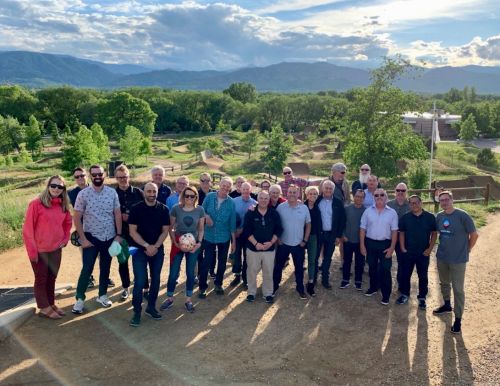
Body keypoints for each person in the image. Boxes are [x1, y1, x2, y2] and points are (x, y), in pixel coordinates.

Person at [71, 165, 122, 314]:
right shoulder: (83, 194)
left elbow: (117, 214)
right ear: (90, 176)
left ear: (104, 174)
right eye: (94, 174)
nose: (97, 176)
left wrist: (118, 235)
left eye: (100, 174)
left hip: (109, 237)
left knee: (105, 268)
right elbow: (77, 217)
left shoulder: (112, 193)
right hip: (91, 238)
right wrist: (83, 238)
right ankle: (80, 299)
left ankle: (102, 295)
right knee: (87, 269)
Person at [22, 175, 72, 319]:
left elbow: (67, 224)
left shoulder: (63, 205)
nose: (56, 189)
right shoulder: (36, 204)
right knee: (41, 278)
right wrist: (32, 252)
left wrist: (64, 239)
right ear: (48, 186)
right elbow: (28, 230)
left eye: (60, 187)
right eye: (53, 185)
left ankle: (50, 303)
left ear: (63, 189)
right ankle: (44, 307)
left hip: (55, 249)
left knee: (52, 277)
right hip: (40, 251)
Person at [433, 191, 478, 334]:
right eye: (442, 200)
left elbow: (474, 234)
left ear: (452, 200)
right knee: (444, 283)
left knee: (458, 289)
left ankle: (458, 319)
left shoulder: (463, 216)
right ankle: (446, 305)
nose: (444, 202)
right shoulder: (439, 216)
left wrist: (468, 249)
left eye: (446, 199)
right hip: (442, 257)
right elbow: (437, 233)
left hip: (458, 259)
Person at [128, 182, 170, 327]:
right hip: (139, 250)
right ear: (144, 192)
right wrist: (146, 246)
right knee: (139, 281)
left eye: (154, 191)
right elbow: (132, 231)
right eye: (149, 191)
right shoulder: (136, 209)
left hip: (157, 250)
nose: (151, 194)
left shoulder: (164, 209)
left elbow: (165, 230)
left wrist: (156, 246)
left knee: (156, 280)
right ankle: (137, 311)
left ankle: (151, 307)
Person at [161, 187, 205, 313]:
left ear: (196, 197)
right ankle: (169, 298)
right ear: (183, 196)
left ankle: (188, 300)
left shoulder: (200, 210)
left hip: (193, 246)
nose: (189, 198)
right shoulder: (176, 208)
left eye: (192, 196)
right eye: (187, 196)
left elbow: (201, 229)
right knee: (173, 272)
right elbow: (171, 227)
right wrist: (175, 242)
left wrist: (199, 243)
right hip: (178, 244)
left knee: (190, 273)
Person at [198, 176, 237, 298]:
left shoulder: (231, 203)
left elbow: (232, 223)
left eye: (227, 186)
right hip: (208, 236)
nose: (225, 188)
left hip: (224, 237)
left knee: (222, 263)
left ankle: (218, 284)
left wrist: (233, 241)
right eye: (223, 185)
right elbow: (201, 210)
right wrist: (206, 216)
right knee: (207, 261)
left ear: (230, 188)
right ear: (219, 185)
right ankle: (202, 287)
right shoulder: (209, 197)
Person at [397, 195, 437, 309]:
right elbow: (401, 233)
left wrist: (430, 249)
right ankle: (405, 294)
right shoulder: (405, 217)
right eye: (411, 203)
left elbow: (434, 233)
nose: (414, 205)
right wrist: (403, 248)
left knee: (423, 276)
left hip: (423, 253)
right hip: (408, 252)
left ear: (421, 203)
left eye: (416, 202)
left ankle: (422, 298)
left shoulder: (430, 217)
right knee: (405, 274)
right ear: (409, 204)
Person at [242, 190, 282, 304]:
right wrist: (256, 244)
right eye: (261, 198)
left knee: (268, 271)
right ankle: (251, 292)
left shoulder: (274, 213)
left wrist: (271, 242)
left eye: (266, 198)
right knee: (252, 271)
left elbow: (279, 229)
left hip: (269, 249)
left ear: (269, 200)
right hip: (253, 248)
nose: (263, 200)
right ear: (257, 199)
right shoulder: (250, 213)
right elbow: (247, 231)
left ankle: (268, 293)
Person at [360, 188, 398, 305]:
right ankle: (373, 287)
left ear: (386, 197)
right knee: (372, 267)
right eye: (376, 195)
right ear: (373, 197)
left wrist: (392, 248)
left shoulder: (392, 212)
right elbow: (362, 229)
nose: (379, 197)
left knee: (386, 269)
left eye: (382, 195)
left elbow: (394, 231)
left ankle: (386, 294)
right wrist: (362, 245)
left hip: (385, 244)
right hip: (370, 243)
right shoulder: (367, 211)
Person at [273, 185, 311, 299]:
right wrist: (278, 240)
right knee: (278, 266)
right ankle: (274, 286)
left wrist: (305, 240)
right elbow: (276, 224)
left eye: (295, 192)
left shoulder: (304, 208)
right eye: (290, 192)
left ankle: (300, 288)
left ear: (298, 194)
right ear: (286, 193)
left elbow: (308, 224)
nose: (292, 194)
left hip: (298, 244)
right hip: (283, 243)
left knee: (299, 268)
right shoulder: (281, 207)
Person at [114, 164, 143, 300]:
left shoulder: (138, 193)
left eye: (124, 177)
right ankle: (125, 288)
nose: (122, 180)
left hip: (136, 236)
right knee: (123, 262)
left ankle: (141, 286)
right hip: (121, 236)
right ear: (116, 178)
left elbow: (145, 211)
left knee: (138, 262)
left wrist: (130, 216)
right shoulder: (112, 194)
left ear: (129, 176)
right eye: (119, 177)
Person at [315, 180, 346, 289]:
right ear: (322, 189)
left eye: (330, 188)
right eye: (326, 188)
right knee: (315, 256)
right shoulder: (316, 200)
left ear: (333, 190)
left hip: (331, 234)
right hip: (318, 234)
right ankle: (313, 278)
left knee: (328, 257)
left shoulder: (338, 202)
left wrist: (338, 236)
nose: (328, 190)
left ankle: (325, 280)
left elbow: (342, 220)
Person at [68, 167, 95, 289]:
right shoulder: (71, 194)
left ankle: (105, 277)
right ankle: (89, 277)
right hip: (82, 229)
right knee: (85, 255)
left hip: (97, 228)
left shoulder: (96, 189)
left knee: (101, 255)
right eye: (77, 177)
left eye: (82, 175)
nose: (80, 178)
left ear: (87, 176)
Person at [230, 182, 257, 288]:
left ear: (251, 190)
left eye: (248, 189)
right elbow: (231, 217)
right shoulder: (233, 201)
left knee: (247, 257)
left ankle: (245, 279)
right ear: (240, 190)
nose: (245, 191)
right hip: (235, 234)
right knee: (236, 255)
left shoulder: (255, 203)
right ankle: (237, 276)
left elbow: (254, 221)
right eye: (244, 189)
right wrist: (234, 230)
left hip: (248, 235)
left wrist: (242, 229)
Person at [340, 189, 366, 290]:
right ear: (353, 196)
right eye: (357, 196)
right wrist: (343, 235)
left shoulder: (366, 211)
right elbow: (342, 223)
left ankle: (358, 281)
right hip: (348, 240)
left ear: (363, 199)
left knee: (360, 262)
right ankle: (345, 280)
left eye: (361, 197)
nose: (359, 198)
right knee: (347, 261)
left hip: (360, 242)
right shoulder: (347, 209)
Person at [387, 182, 410, 291]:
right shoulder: (388, 204)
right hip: (389, 237)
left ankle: (400, 282)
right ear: (395, 191)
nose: (400, 192)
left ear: (407, 192)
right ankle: (383, 283)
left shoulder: (411, 204)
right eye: (398, 190)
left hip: (405, 239)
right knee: (385, 260)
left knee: (402, 261)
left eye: (403, 190)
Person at [304, 186, 321, 296]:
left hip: (313, 237)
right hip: (301, 237)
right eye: (311, 193)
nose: (313, 196)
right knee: (299, 261)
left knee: (312, 260)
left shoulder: (317, 208)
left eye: (315, 194)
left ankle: (310, 283)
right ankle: (299, 283)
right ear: (306, 195)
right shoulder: (301, 206)